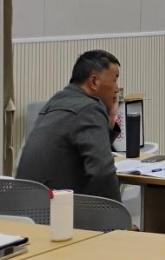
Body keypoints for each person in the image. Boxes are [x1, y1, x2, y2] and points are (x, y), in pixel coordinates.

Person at [16, 50, 122, 202]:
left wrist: (110, 119)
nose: (117, 88)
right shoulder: (89, 109)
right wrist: (119, 214)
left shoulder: (54, 103)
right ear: (94, 81)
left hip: (23, 207)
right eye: (115, 80)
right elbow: (103, 173)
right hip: (56, 209)